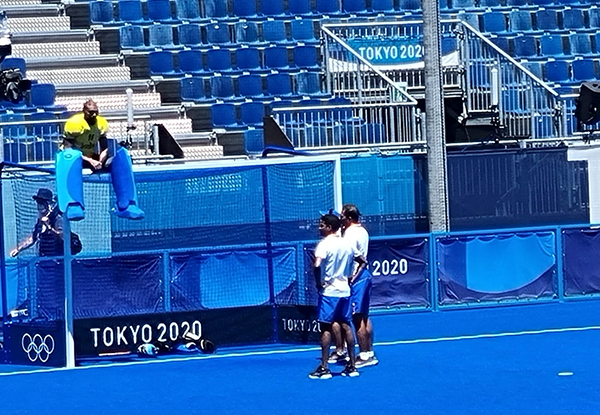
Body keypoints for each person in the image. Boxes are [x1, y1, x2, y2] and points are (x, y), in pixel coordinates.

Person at [56, 99, 144, 221]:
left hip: (91, 156)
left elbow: (104, 147)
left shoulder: (101, 123)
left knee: (121, 155)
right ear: (84, 112)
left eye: (95, 112)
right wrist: (90, 161)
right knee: (71, 156)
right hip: (76, 158)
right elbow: (68, 148)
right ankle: (73, 204)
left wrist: (100, 161)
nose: (93, 115)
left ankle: (126, 205)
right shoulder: (74, 124)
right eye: (90, 112)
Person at [309, 213, 367, 379]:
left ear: (328, 227)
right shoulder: (347, 244)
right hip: (345, 291)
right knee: (346, 325)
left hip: (330, 292)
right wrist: (351, 278)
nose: (319, 228)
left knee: (326, 327)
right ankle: (352, 366)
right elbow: (363, 261)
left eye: (321, 225)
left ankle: (325, 367)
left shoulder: (324, 245)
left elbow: (317, 264)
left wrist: (318, 282)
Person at [329, 204, 378, 368]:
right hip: (364, 276)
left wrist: (348, 277)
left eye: (343, 216)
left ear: (349, 218)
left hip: (356, 278)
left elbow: (348, 255)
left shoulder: (349, 234)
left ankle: (364, 355)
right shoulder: (362, 230)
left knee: (357, 318)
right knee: (364, 316)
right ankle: (369, 352)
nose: (340, 218)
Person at [10, 188, 65, 257]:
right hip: (44, 260)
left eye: (42, 203)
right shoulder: (40, 221)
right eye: (38, 203)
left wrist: (49, 226)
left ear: (49, 204)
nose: (39, 206)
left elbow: (62, 236)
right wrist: (19, 248)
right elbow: (33, 237)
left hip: (58, 260)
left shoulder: (57, 219)